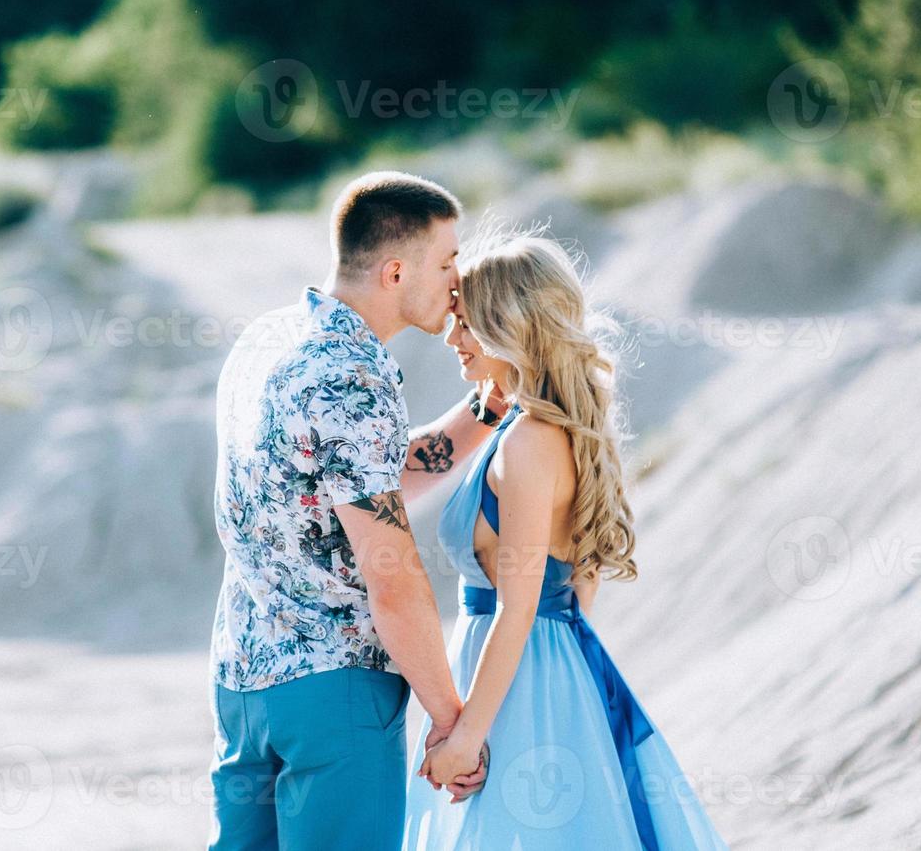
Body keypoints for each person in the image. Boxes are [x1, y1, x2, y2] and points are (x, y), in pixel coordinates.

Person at [403, 227, 730, 849]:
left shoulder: (528, 443)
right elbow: (579, 586)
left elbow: (520, 602)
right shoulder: (542, 430)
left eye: (466, 323)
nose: (453, 339)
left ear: (509, 327)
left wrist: (471, 733)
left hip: (516, 680)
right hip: (547, 667)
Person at [207, 171, 504, 850]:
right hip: (334, 697)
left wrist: (490, 406)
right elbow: (392, 576)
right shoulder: (353, 377)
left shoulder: (269, 339)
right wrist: (452, 718)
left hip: (242, 684)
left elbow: (351, 479)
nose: (458, 283)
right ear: (397, 271)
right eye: (448, 263)